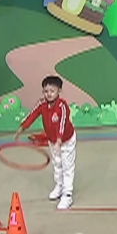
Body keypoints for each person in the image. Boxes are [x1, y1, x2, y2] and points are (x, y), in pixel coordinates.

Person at [14, 76, 77, 209]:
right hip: (52, 140)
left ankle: (67, 194)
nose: (49, 94)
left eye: (52, 91)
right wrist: (22, 128)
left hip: (66, 140)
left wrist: (59, 140)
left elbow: (62, 123)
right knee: (57, 164)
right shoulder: (42, 104)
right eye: (46, 91)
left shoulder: (62, 106)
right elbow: (32, 115)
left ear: (59, 91)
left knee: (67, 166)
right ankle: (59, 186)